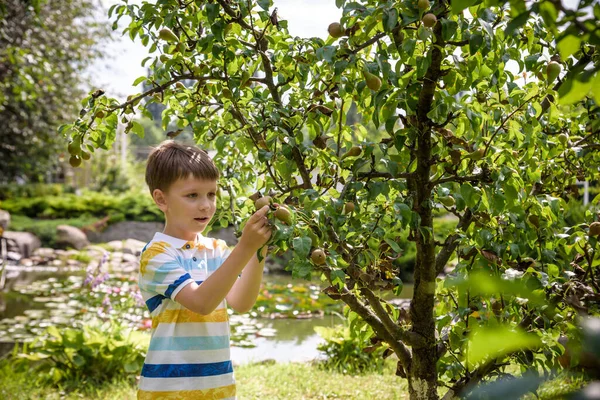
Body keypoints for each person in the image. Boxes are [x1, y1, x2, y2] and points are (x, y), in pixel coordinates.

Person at [137, 140, 272, 400]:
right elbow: (201, 302)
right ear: (161, 199)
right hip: (169, 390)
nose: (206, 205)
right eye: (192, 195)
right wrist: (245, 247)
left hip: (218, 386)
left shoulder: (216, 249)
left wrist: (259, 249)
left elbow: (241, 303)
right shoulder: (157, 254)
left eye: (211, 194)